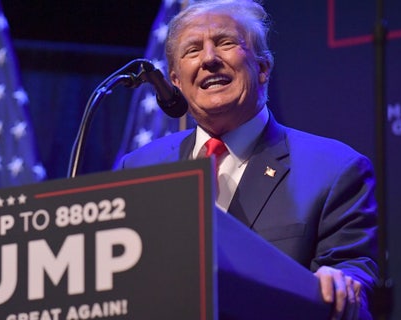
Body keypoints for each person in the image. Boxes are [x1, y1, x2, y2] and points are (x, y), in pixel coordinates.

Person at [114, 0, 378, 319]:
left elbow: (351, 279)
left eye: (225, 42)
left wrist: (340, 286)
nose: (209, 59)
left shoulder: (334, 169)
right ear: (176, 82)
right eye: (192, 50)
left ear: (263, 68)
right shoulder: (141, 169)